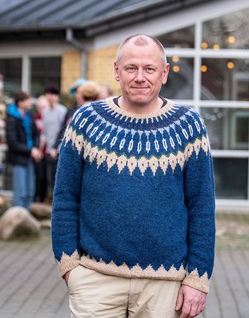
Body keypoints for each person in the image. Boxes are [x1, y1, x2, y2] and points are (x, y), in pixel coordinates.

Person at [51, 34, 216, 318]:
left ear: (164, 73)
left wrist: (198, 279)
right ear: (117, 71)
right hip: (95, 279)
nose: (140, 77)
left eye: (149, 69)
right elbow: (65, 197)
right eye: (131, 68)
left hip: (165, 285)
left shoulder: (189, 126)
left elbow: (201, 206)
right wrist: (69, 266)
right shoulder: (85, 121)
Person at [5, 91, 42, 209]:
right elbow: (13, 143)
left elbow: (36, 134)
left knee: (30, 191)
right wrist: (30, 151)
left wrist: (35, 148)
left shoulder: (29, 115)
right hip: (18, 159)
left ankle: (25, 219)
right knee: (20, 192)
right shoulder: (11, 119)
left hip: (30, 158)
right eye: (28, 100)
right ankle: (17, 219)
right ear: (20, 102)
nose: (31, 102)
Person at [38, 86, 68, 203]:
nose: (50, 97)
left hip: (59, 150)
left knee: (58, 179)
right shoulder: (45, 113)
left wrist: (57, 148)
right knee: (49, 178)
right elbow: (44, 133)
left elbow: (64, 131)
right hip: (48, 150)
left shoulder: (62, 111)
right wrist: (41, 149)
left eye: (53, 94)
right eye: (48, 94)